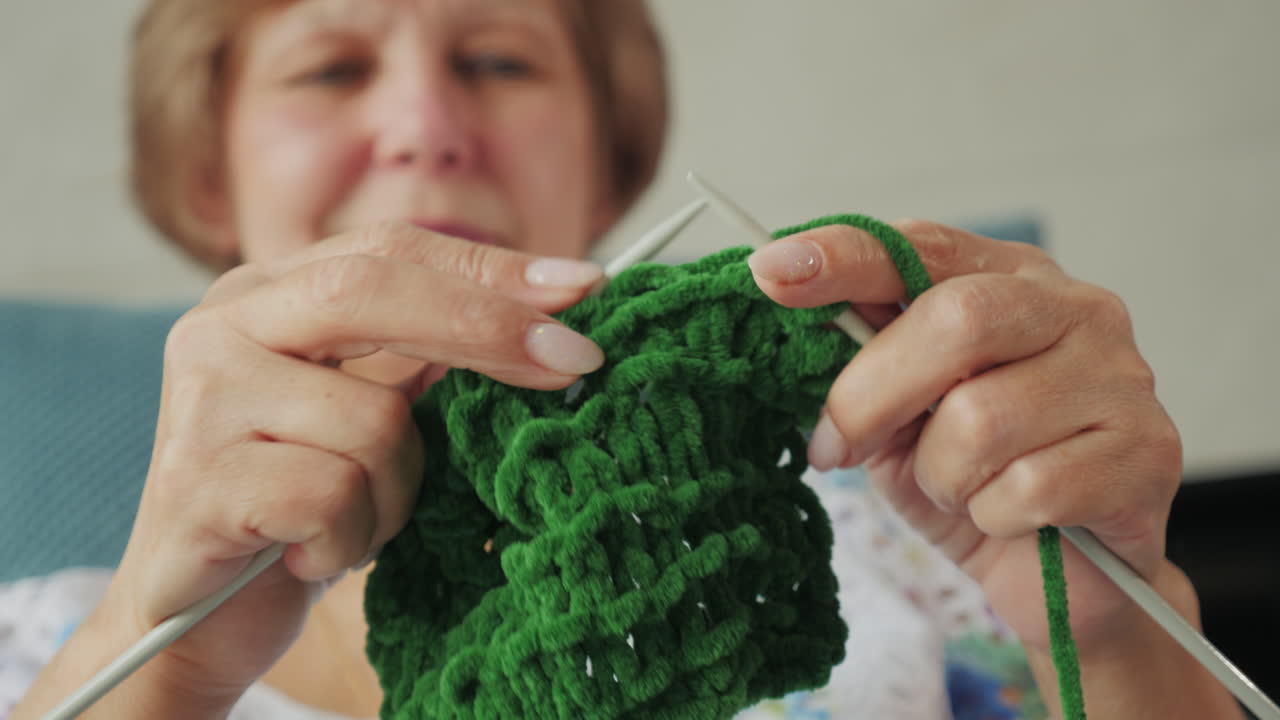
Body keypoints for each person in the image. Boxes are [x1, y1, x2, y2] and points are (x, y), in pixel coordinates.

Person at [6, 0, 1245, 718]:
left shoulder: (917, 542)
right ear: (209, 173)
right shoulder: (54, 644)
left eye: (498, 61)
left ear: (613, 156)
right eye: (331, 67)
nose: (428, 129)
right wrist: (158, 657)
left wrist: (1121, 632)